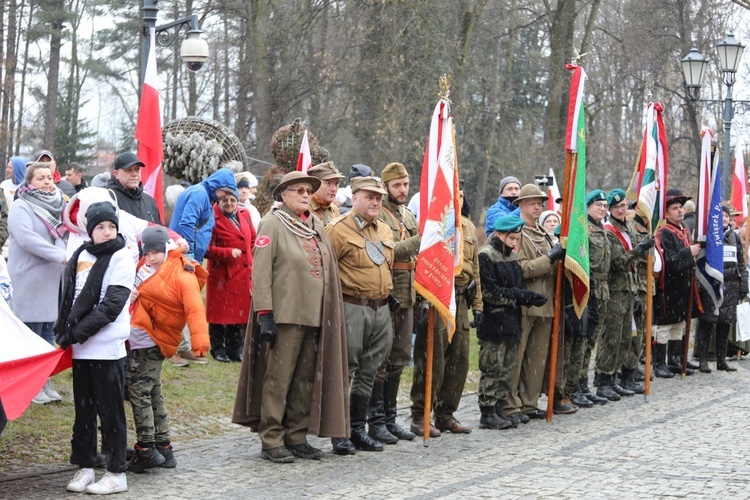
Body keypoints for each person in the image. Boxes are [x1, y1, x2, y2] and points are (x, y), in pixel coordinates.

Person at [233, 171, 349, 463]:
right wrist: (265, 314)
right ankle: (272, 438)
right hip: (284, 315)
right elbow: (260, 273)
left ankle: (296, 435)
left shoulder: (315, 225)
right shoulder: (272, 223)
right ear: (283, 194)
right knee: (278, 379)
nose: (304, 195)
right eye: (297, 190)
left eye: (308, 191)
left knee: (306, 379)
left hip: (315, 315)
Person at [54, 202, 135, 495]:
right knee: (83, 411)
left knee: (111, 412)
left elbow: (111, 305)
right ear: (90, 230)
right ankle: (86, 466)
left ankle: (116, 472)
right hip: (82, 348)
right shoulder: (80, 255)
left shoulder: (121, 257)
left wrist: (76, 332)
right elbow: (69, 296)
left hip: (107, 348)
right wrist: (64, 329)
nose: (107, 232)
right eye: (100, 227)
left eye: (111, 226)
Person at [128, 226, 209, 472]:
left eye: (155, 253)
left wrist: (200, 342)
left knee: (139, 391)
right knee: (152, 390)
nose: (151, 257)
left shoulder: (181, 274)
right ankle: (163, 447)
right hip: (142, 336)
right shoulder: (144, 265)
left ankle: (147, 448)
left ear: (165, 248)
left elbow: (195, 309)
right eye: (147, 252)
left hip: (155, 340)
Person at [327, 176, 395, 454]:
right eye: (369, 196)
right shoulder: (338, 230)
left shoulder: (385, 230)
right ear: (354, 198)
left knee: (371, 371)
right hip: (352, 306)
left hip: (381, 308)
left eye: (378, 197)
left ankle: (358, 429)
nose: (375, 201)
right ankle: (339, 432)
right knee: (346, 369)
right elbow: (326, 270)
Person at [412, 184, 483, 434]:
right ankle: (421, 414)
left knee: (460, 359)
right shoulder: (434, 226)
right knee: (433, 358)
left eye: (462, 196)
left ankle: (446, 413)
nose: (459, 200)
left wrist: (478, 305)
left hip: (462, 298)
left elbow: (475, 269)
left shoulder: (469, 226)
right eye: (454, 196)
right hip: (439, 296)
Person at [477, 214, 548, 429]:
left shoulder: (511, 256)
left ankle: (499, 407)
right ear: (500, 234)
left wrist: (530, 296)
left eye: (517, 239)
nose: (515, 243)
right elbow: (489, 292)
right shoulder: (486, 256)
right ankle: (487, 412)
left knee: (507, 368)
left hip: (511, 321)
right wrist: (519, 295)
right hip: (494, 321)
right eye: (512, 239)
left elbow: (516, 285)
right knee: (492, 367)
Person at [365, 162, 419, 443]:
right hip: (387, 294)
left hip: (407, 294)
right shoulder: (380, 218)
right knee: (381, 360)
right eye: (397, 185)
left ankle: (390, 418)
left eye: (406, 184)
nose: (403, 190)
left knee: (399, 357)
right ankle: (375, 423)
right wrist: (422, 241)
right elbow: (387, 251)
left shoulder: (408, 216)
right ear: (385, 187)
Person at [502, 183, 564, 424]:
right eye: (532, 203)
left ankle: (529, 402)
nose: (538, 206)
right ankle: (510, 404)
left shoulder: (545, 234)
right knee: (517, 357)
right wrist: (549, 258)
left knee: (537, 358)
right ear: (521, 206)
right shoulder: (516, 232)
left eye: (540, 203)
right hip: (525, 302)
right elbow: (520, 269)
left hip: (546, 303)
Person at [8, 161, 67, 404]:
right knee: (30, 335)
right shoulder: (21, 205)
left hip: (52, 279)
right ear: (29, 181)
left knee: (47, 336)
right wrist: (60, 255)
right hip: (29, 278)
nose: (46, 182)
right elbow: (26, 238)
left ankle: (45, 379)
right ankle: (30, 385)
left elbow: (65, 233)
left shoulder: (59, 204)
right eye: (40, 178)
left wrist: (65, 252)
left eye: (49, 177)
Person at [169, 168, 237, 364]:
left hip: (188, 258)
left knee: (183, 304)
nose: (226, 197)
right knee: (174, 305)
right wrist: (189, 254)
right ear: (218, 186)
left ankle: (181, 348)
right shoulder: (199, 194)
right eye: (225, 191)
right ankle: (171, 350)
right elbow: (187, 223)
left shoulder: (203, 195)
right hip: (183, 257)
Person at [596, 189, 652, 400]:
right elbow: (618, 263)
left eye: (624, 206)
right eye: (616, 207)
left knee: (625, 337)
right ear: (610, 210)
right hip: (615, 290)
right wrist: (638, 250)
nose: (621, 210)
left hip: (629, 289)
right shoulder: (610, 232)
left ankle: (615, 377)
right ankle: (603, 380)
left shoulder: (627, 228)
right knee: (612, 336)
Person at [653, 189, 701, 378]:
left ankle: (675, 359)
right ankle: (659, 363)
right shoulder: (664, 232)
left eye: (681, 207)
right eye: (675, 208)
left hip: (682, 286)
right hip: (669, 286)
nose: (680, 211)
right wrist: (689, 252)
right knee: (664, 327)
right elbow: (670, 261)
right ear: (666, 213)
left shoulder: (683, 230)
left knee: (679, 325)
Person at [568, 190, 610, 407]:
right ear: (588, 206)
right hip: (588, 288)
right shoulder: (584, 229)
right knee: (582, 341)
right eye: (598, 205)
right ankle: (574, 385)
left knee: (592, 339)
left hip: (603, 290)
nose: (602, 208)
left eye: (605, 205)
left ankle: (583, 384)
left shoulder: (602, 229)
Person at [205, 188, 256, 362]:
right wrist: (227, 252)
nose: (229, 203)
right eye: (225, 200)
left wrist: (251, 257)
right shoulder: (211, 217)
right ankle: (218, 349)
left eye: (232, 200)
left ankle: (235, 348)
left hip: (243, 272)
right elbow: (205, 248)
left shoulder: (245, 213)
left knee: (238, 312)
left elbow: (252, 239)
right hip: (222, 274)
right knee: (219, 314)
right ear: (218, 201)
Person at [696, 205, 747, 372]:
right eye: (721, 215)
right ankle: (703, 359)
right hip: (713, 286)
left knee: (725, 324)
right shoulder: (710, 237)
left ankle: (721, 359)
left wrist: (743, 285)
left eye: (727, 216)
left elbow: (741, 263)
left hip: (731, 286)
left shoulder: (734, 237)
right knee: (708, 322)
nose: (724, 218)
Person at [107, 152, 162, 224]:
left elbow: (159, 230)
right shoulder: (108, 199)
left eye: (137, 169)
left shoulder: (150, 201)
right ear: (116, 174)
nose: (134, 174)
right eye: (129, 170)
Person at [308, 161, 345, 226]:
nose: (334, 189)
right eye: (328, 183)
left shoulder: (334, 209)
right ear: (315, 184)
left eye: (336, 183)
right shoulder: (305, 207)